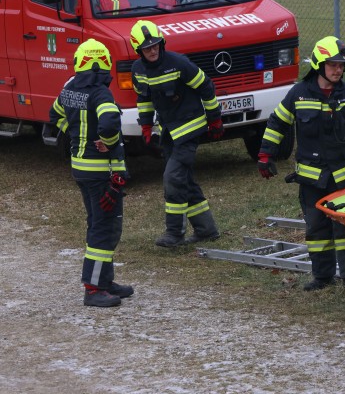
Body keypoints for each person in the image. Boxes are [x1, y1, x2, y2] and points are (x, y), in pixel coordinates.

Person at [257, 36, 345, 291]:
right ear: (320, 65)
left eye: (342, 65)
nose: (338, 70)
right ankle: (322, 277)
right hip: (311, 180)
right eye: (333, 64)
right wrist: (265, 155)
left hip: (344, 178)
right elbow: (277, 123)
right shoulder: (299, 94)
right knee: (316, 228)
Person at [49, 38, 134, 307]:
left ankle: (105, 281)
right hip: (100, 173)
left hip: (81, 169)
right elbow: (109, 123)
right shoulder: (100, 93)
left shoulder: (70, 89)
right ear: (103, 63)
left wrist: (78, 134)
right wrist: (106, 141)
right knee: (105, 228)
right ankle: (94, 288)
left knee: (97, 223)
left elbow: (54, 116)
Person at [130, 20, 223, 247]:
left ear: (162, 43)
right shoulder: (138, 70)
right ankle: (206, 230)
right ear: (138, 50)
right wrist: (145, 126)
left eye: (156, 45)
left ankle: (174, 233)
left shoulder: (179, 63)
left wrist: (215, 119)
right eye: (147, 47)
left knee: (172, 178)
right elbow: (144, 98)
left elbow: (206, 86)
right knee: (184, 180)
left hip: (190, 128)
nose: (153, 50)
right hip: (169, 132)